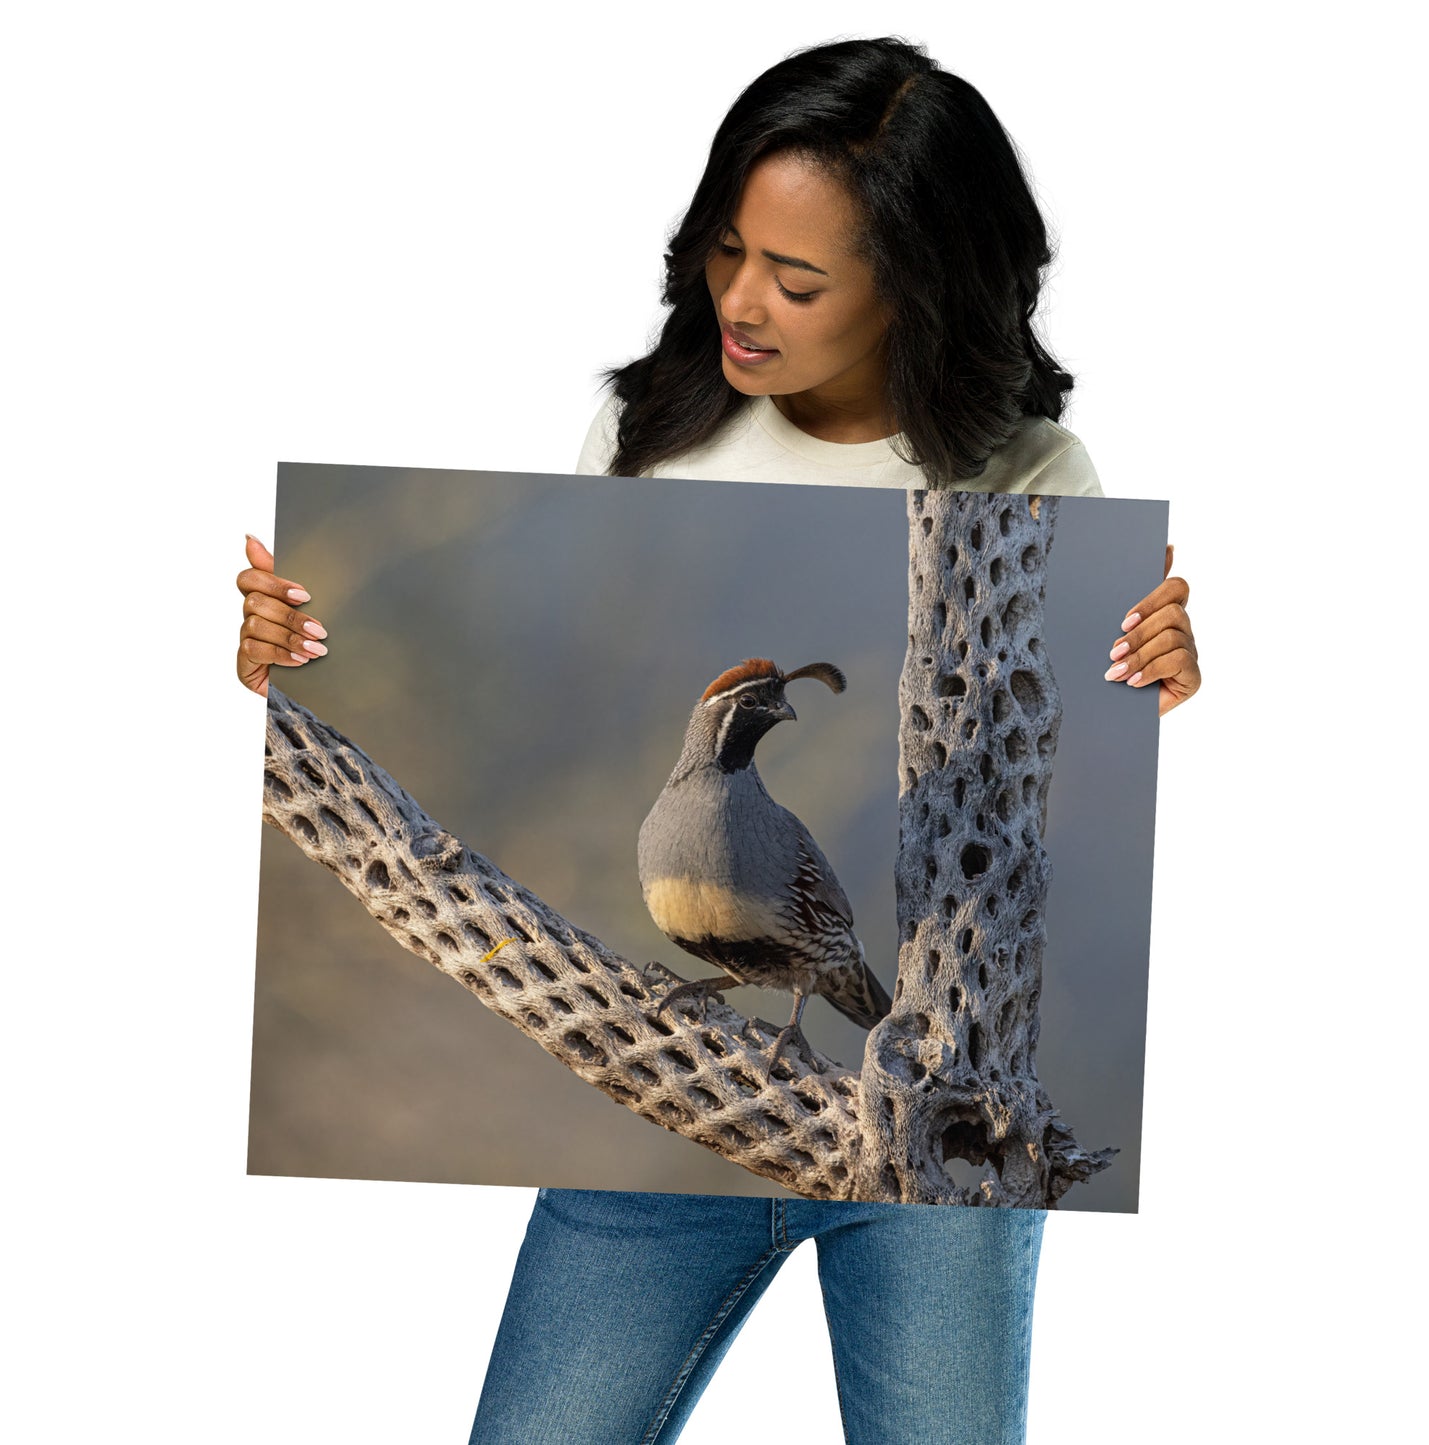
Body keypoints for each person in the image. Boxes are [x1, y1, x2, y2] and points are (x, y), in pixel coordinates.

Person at [237, 37, 1199, 1443]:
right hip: (661, 1158)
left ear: (914, 289)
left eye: (797, 279)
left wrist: (1160, 666)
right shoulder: (643, 432)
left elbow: (1092, 716)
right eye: (725, 252)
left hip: (930, 1149)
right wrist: (272, 663)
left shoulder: (1034, 475)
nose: (743, 301)